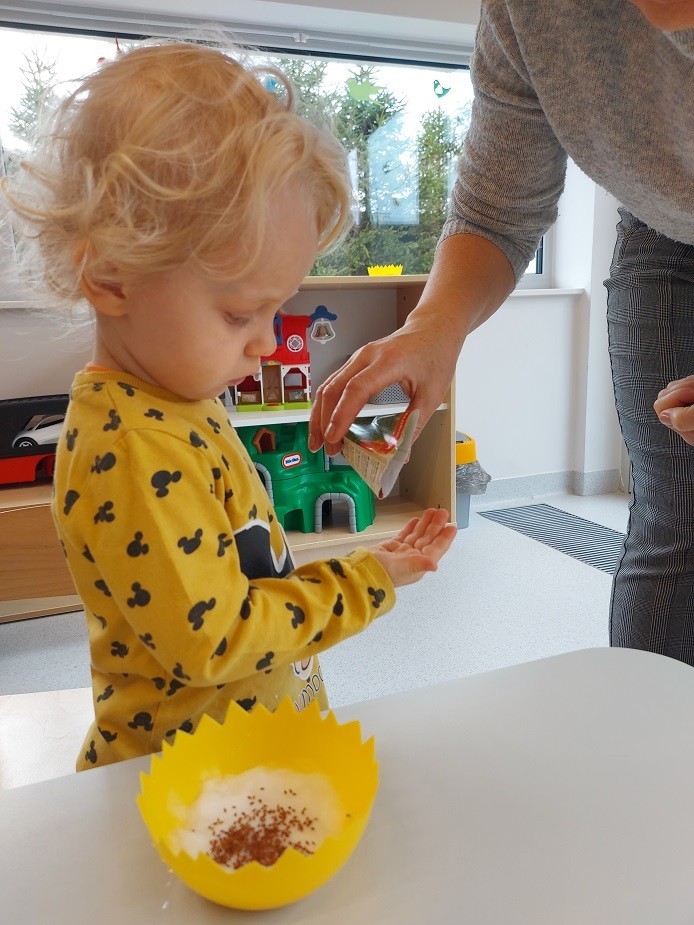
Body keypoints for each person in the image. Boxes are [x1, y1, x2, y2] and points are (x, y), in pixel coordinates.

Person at [1, 39, 456, 770]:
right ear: (111, 277)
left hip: (244, 760)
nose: (269, 345)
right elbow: (218, 639)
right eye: (241, 313)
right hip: (183, 780)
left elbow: (246, 572)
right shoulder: (134, 447)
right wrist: (366, 582)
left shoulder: (178, 399)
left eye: (276, 309)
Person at [309, 0, 694, 665]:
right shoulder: (531, 11)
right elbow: (496, 208)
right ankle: (651, 721)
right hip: (664, 228)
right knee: (673, 518)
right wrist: (434, 325)